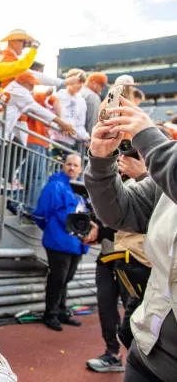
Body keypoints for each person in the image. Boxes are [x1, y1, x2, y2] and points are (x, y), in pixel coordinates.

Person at [84, 97, 177, 382]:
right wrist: (101, 161)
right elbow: (120, 210)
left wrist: (149, 138)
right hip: (149, 354)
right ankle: (114, 350)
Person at [33, 154, 94, 331]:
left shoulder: (81, 189)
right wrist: (53, 230)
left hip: (76, 242)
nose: (72, 168)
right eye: (69, 164)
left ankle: (60, 311)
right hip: (58, 240)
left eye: (76, 165)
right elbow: (41, 214)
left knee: (67, 278)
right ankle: (50, 314)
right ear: (63, 166)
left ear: (81, 169)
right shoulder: (54, 186)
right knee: (58, 278)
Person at [80, 72, 108, 136]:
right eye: (102, 85)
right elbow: (93, 120)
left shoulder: (78, 91)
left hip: (72, 134)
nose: (103, 88)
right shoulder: (92, 96)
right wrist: (93, 137)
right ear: (94, 83)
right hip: (85, 138)